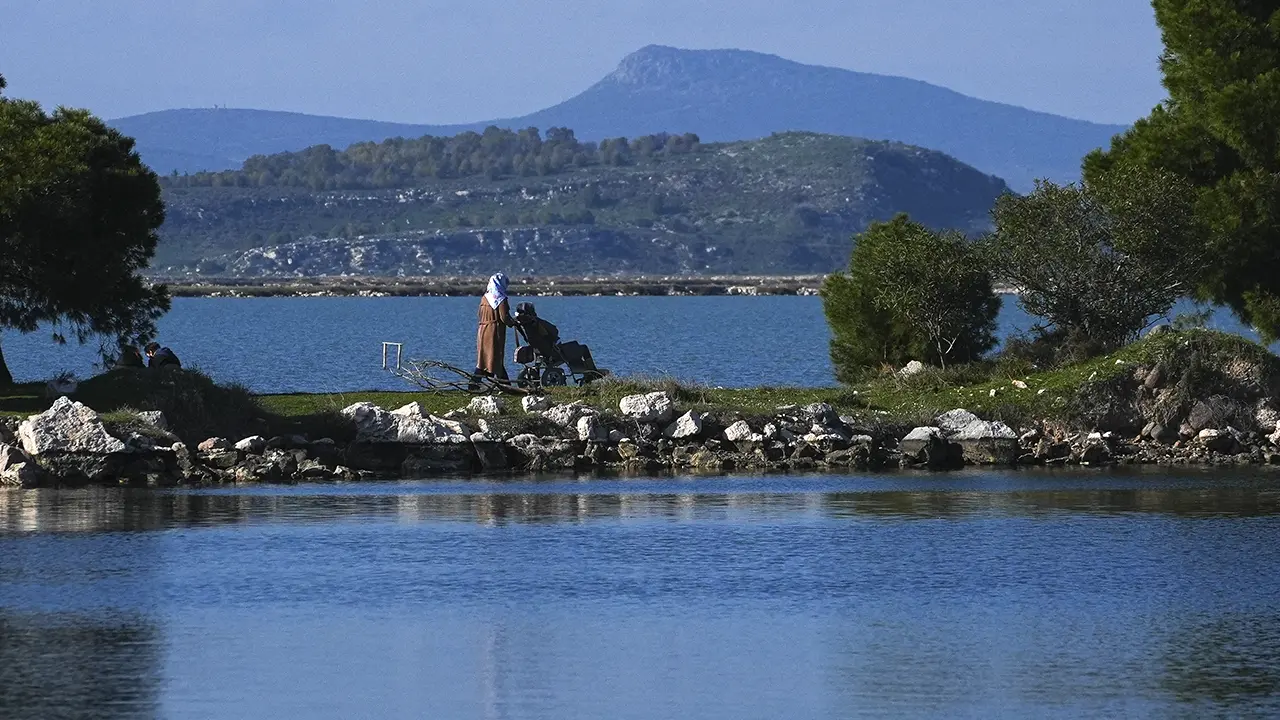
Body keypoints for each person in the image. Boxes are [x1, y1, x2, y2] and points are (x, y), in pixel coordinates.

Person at [470, 272, 516, 390]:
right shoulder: (500, 299)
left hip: (483, 330)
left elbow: (479, 314)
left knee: (483, 359)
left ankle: (474, 384)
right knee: (496, 357)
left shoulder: (485, 298)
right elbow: (504, 317)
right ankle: (506, 386)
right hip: (494, 332)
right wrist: (514, 323)